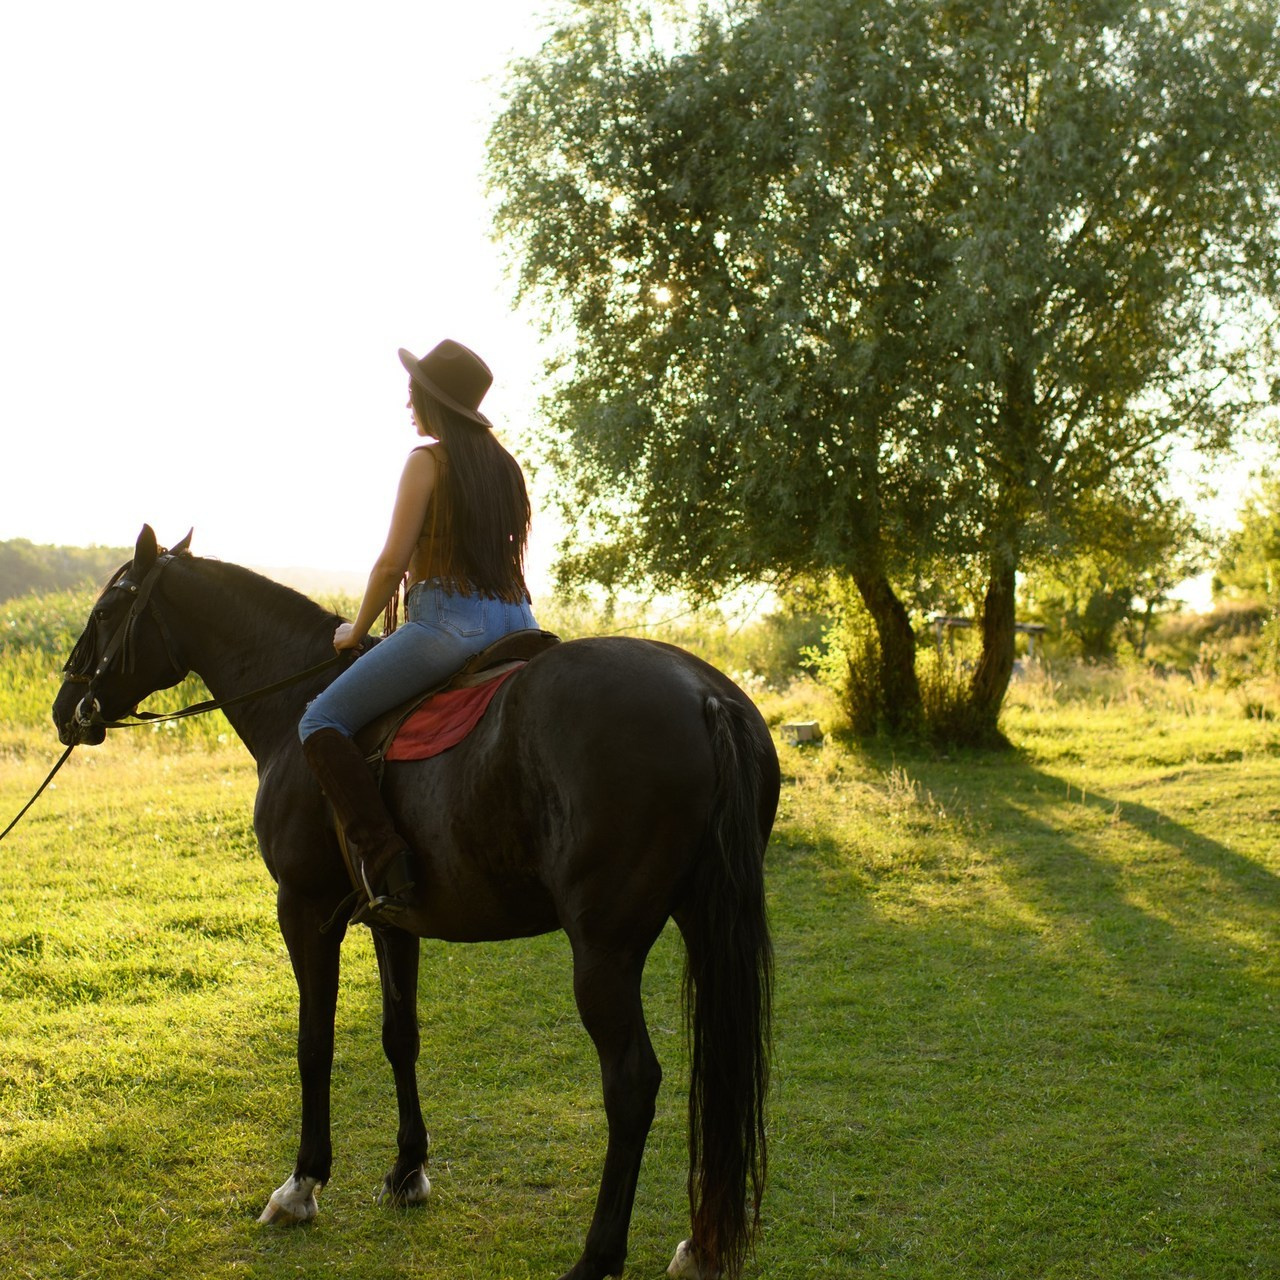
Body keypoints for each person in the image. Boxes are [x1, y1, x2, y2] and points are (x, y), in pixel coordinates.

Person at [299, 339, 538, 925]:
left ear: (434, 401)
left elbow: (391, 564)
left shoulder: (427, 461)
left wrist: (356, 630)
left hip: (448, 626)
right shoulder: (504, 467)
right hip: (521, 622)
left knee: (320, 721)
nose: (409, 405)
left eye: (414, 395)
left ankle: (384, 862)